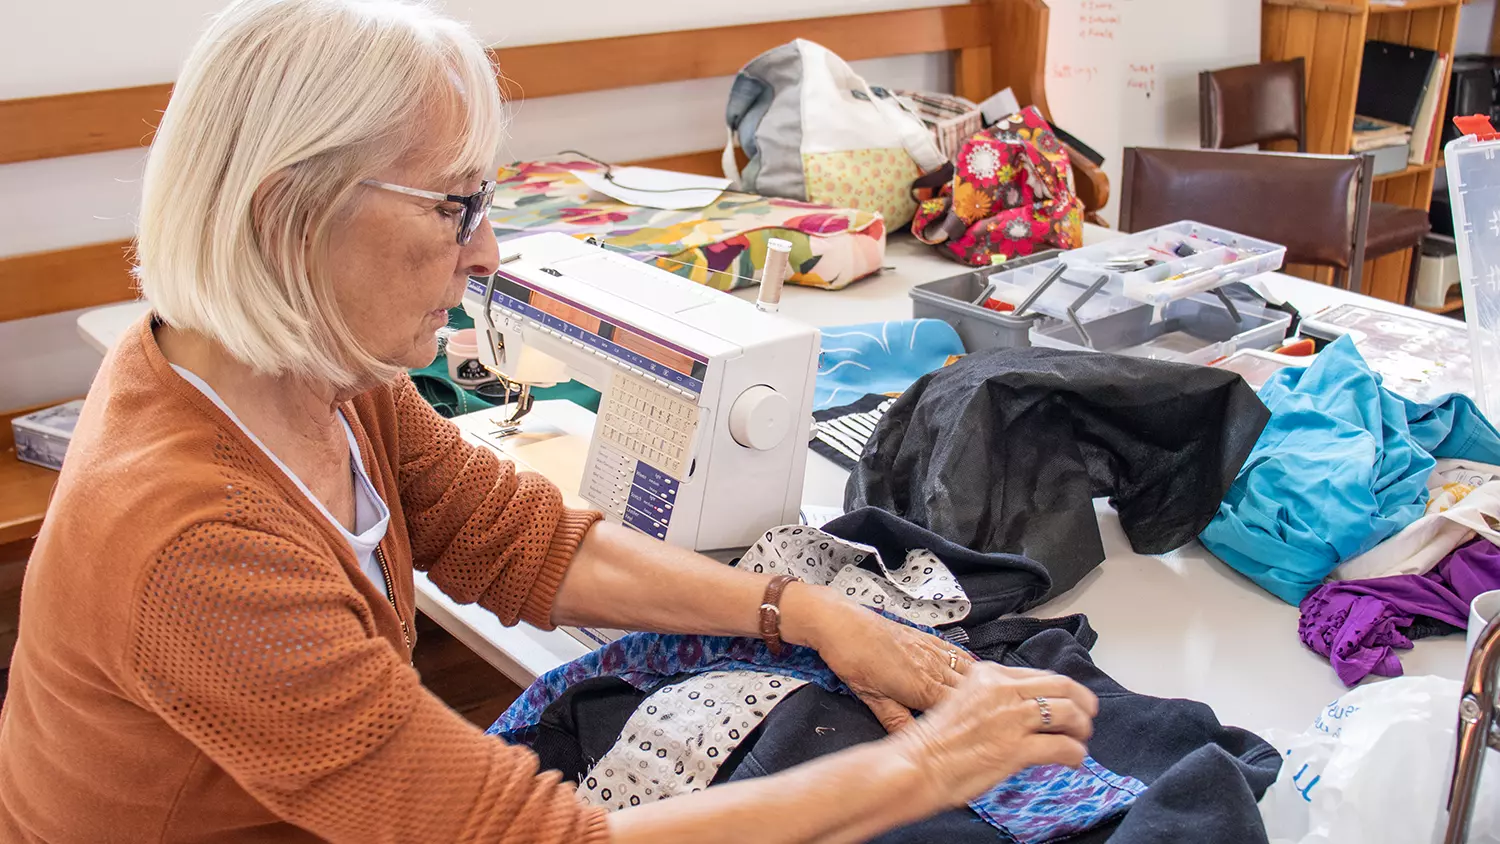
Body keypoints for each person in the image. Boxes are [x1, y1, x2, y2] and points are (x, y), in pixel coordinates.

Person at [0, 0, 1097, 841]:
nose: (484, 252)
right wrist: (928, 767)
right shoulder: (199, 544)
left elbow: (516, 540)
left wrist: (803, 611)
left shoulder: (313, 372)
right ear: (289, 216)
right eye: (453, 207)